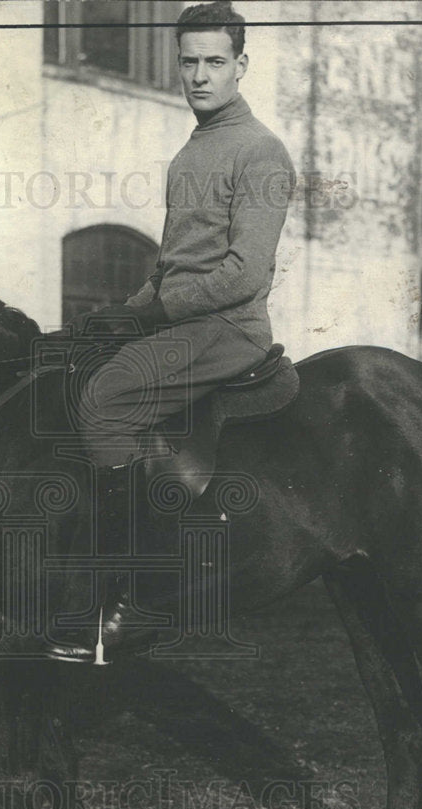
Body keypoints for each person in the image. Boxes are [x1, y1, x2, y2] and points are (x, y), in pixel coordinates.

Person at [45, 0, 295, 663]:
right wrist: (117, 313)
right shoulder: (189, 154)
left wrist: (152, 314)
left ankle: (146, 597)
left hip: (230, 329)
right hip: (187, 321)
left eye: (215, 61)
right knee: (73, 368)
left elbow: (244, 274)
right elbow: (168, 269)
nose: (199, 75)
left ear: (240, 65)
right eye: (188, 61)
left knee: (106, 399)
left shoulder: (260, 152)